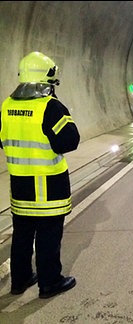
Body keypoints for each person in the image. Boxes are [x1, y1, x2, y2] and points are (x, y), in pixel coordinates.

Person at [0, 51, 80, 298]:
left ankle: (20, 280)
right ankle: (49, 282)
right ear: (48, 79)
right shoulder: (50, 107)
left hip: (20, 184)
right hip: (48, 184)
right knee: (48, 233)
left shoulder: (7, 105)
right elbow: (69, 140)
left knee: (22, 234)